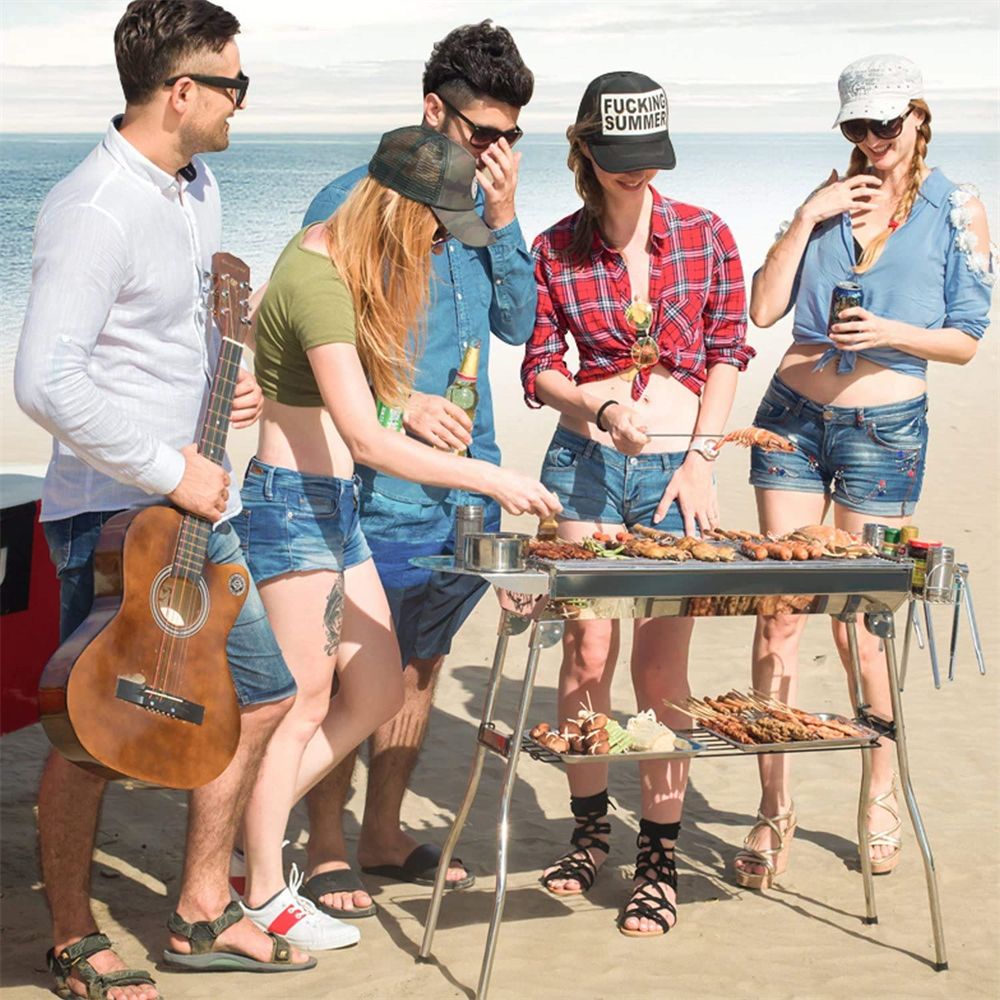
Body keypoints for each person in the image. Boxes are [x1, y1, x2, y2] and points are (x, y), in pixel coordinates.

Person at [13, 2, 317, 997]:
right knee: (93, 734)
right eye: (234, 85)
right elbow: (44, 380)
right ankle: (71, 936)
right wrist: (167, 464)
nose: (242, 104)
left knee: (263, 694)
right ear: (182, 92)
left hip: (197, 507)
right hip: (113, 514)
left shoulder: (197, 187)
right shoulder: (94, 207)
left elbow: (166, 335)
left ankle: (198, 907)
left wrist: (229, 384)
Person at [235, 123, 560, 947]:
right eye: (435, 227)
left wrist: (256, 371)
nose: (437, 244)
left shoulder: (335, 263)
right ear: (398, 209)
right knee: (307, 703)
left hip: (332, 508)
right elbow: (371, 441)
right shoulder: (321, 279)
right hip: (292, 511)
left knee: (378, 688)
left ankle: (246, 825)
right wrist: (494, 479)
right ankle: (264, 887)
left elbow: (277, 339)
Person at [292, 20, 537, 917]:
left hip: (469, 488)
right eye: (482, 133)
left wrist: (505, 221)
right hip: (377, 488)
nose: (495, 152)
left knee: (422, 665)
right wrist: (402, 406)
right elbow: (308, 358)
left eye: (511, 136)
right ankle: (325, 847)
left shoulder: (480, 208)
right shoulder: (350, 202)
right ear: (433, 111)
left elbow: (517, 324)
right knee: (350, 669)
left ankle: (384, 834)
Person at [736, 54, 992, 889]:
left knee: (859, 624)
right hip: (790, 419)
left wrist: (887, 332)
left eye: (888, 122)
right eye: (859, 126)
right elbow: (763, 310)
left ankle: (879, 791)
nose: (875, 140)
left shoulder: (957, 208)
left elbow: (966, 338)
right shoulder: (825, 201)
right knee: (779, 615)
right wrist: (808, 215)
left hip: (883, 431)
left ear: (918, 116)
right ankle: (774, 804)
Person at [521, 72, 752, 937]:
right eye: (620, 156)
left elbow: (727, 351)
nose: (636, 171)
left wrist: (701, 460)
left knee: (660, 670)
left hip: (674, 473)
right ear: (584, 149)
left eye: (649, 156)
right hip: (584, 461)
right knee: (587, 654)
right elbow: (541, 366)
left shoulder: (707, 234)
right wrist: (600, 403)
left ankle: (658, 855)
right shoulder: (555, 248)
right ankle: (590, 832)